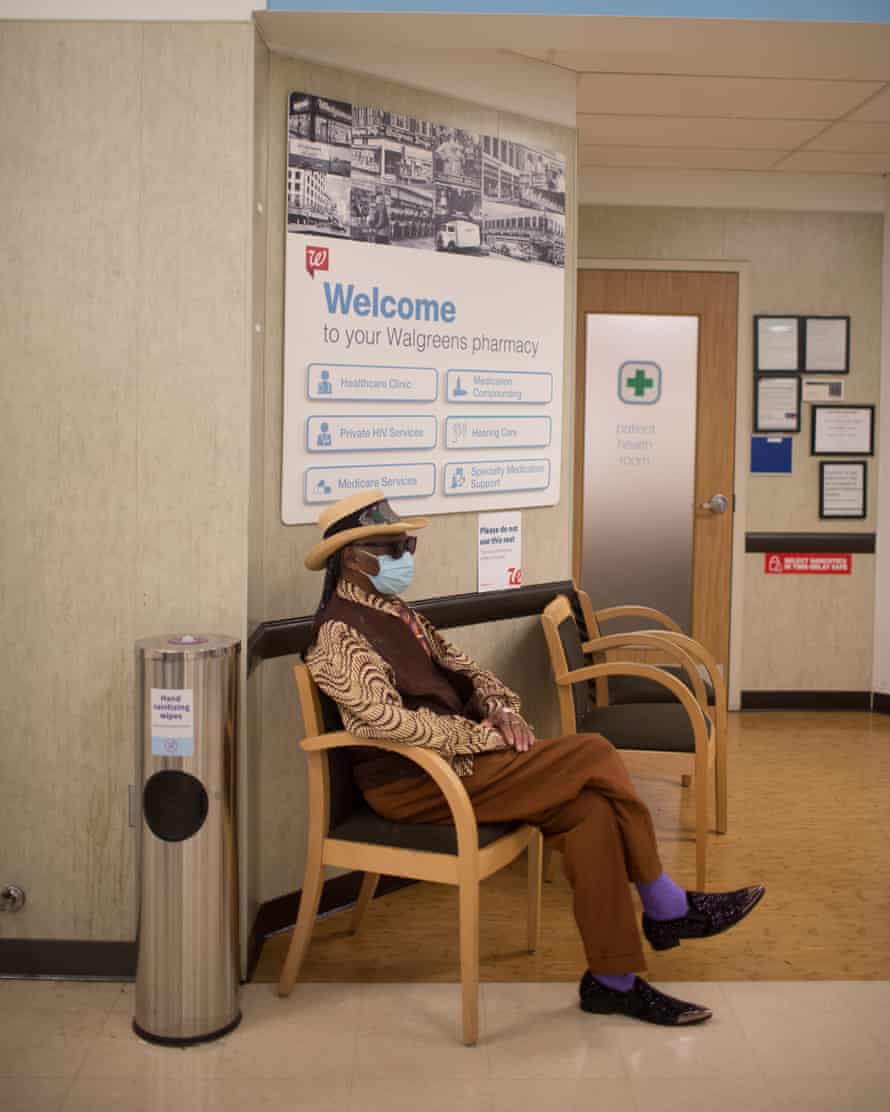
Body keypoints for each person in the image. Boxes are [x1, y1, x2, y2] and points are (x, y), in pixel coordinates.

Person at [304, 490, 764, 1026]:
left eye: (408, 544)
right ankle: (666, 905)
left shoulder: (398, 613)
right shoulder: (337, 634)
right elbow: (383, 721)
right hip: (416, 783)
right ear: (354, 559)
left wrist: (500, 709)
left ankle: (612, 982)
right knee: (594, 751)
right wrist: (480, 737)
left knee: (591, 812)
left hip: (459, 767)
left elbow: (468, 669)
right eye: (395, 547)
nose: (407, 556)